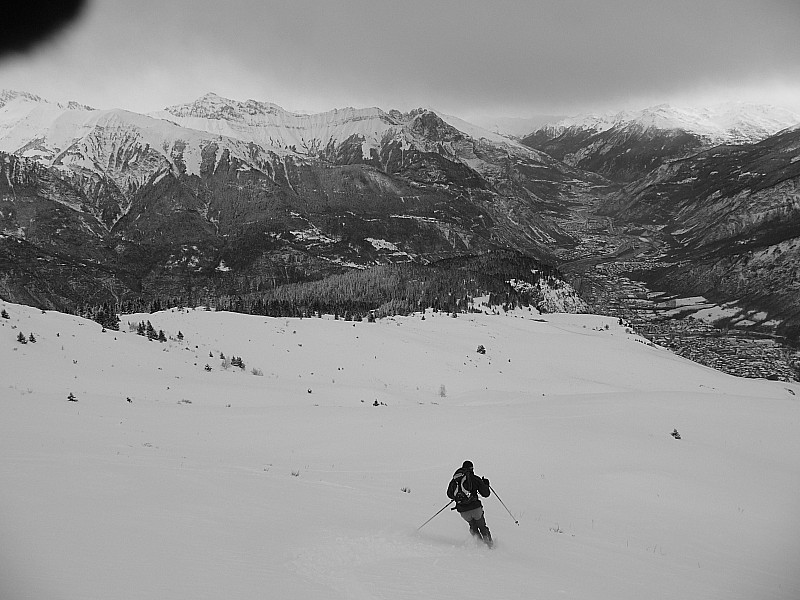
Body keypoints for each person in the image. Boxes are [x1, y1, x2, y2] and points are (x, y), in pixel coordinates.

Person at [447, 460, 492, 547]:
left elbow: (449, 494)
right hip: (476, 509)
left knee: (473, 526)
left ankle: (478, 544)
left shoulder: (455, 480)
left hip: (463, 511)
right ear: (472, 468)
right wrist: (485, 484)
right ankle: (490, 546)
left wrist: (459, 497)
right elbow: (486, 494)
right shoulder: (474, 478)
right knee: (482, 526)